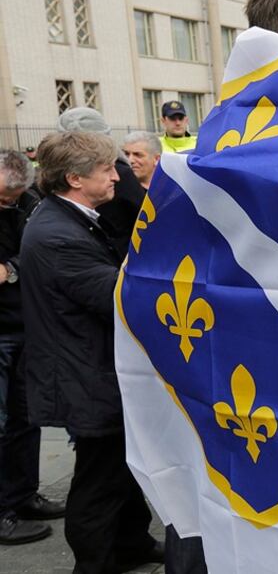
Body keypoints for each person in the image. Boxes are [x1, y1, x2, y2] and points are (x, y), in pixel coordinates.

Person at [21, 131, 163, 572]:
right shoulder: (58, 234)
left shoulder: (69, 217)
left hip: (91, 366)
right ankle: (96, 563)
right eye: (105, 168)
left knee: (120, 469)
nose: (115, 175)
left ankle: (131, 545)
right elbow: (113, 296)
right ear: (74, 179)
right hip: (83, 373)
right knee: (98, 481)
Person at [0, 150, 65, 546]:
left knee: (26, 419)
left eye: (13, 195)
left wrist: (11, 268)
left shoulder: (30, 204)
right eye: (2, 198)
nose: (8, 202)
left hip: (26, 325)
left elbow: (36, 253)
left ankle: (23, 496)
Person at [57, 108, 145, 257]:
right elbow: (142, 214)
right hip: (116, 253)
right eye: (107, 170)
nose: (114, 177)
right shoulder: (120, 171)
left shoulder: (56, 172)